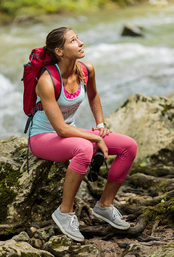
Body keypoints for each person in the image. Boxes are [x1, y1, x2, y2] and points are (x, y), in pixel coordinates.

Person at [29, 27, 137, 242]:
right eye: (73, 41)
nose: (81, 43)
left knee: (129, 146)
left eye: (78, 38)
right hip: (44, 137)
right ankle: (64, 212)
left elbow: (94, 95)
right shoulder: (47, 81)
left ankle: (104, 206)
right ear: (59, 51)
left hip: (71, 132)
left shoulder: (86, 70)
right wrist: (95, 138)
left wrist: (100, 124)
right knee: (84, 147)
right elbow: (60, 129)